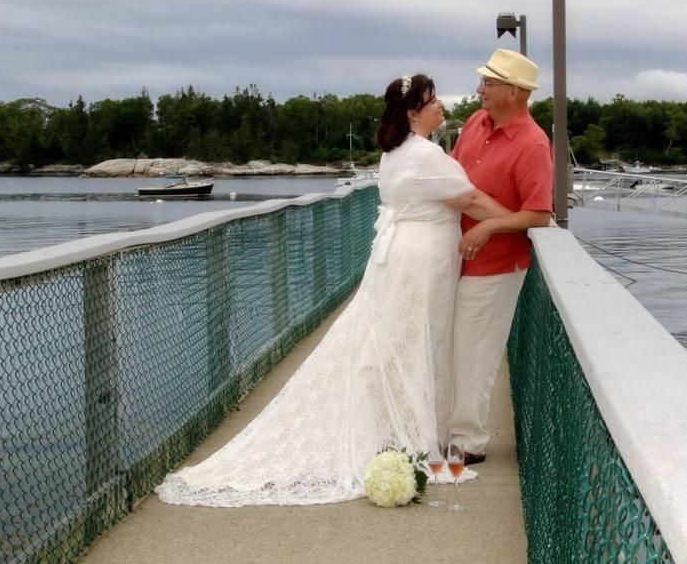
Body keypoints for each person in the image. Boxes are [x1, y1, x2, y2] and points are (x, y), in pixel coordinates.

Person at [155, 74, 509, 506]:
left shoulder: (398, 152)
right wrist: (520, 219)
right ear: (414, 113)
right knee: (414, 343)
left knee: (404, 342)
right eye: (433, 102)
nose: (441, 107)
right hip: (420, 261)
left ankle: (407, 432)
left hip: (407, 256)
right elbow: (470, 201)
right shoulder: (423, 155)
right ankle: (413, 440)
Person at [447, 49, 554, 465]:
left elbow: (540, 214)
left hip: (495, 266)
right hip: (455, 258)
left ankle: (468, 442)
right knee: (453, 345)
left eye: (489, 83)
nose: (480, 89)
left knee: (475, 350)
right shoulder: (476, 123)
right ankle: (451, 429)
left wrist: (489, 225)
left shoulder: (532, 144)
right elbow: (452, 180)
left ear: (514, 91)